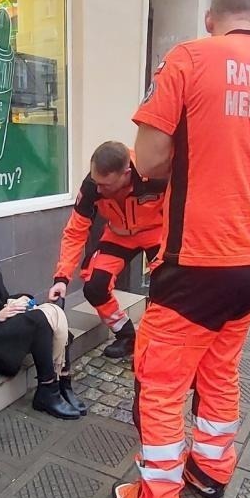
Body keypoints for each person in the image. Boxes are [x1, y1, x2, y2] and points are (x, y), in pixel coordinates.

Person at [113, 0, 250, 498]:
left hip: (197, 257)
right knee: (220, 368)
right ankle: (212, 469)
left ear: (211, 17)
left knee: (162, 380)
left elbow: (146, 159)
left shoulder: (188, 58)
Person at [48, 141, 166, 359]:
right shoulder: (92, 186)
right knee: (94, 287)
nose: (99, 190)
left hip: (157, 232)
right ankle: (127, 336)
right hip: (118, 234)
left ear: (126, 174)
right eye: (96, 182)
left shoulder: (156, 173)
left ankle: (155, 346)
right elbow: (75, 231)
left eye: (106, 185)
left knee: (165, 289)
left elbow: (185, 206)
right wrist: (61, 278)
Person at [0, 250, 86, 419]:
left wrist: (21, 300)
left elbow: (1, 299)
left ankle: (63, 380)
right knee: (40, 320)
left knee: (51, 315)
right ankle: (48, 389)